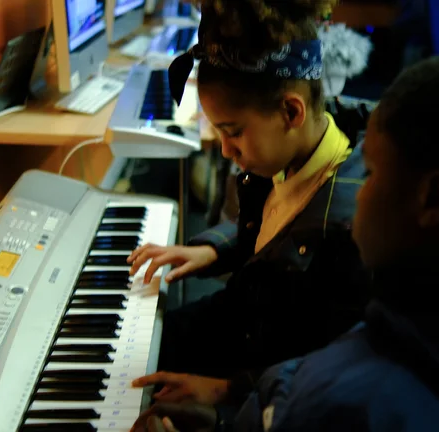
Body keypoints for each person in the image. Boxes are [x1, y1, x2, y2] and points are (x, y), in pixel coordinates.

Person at [132, 48, 439, 432]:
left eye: (370, 175)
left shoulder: (355, 402)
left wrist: (225, 413)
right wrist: (230, 406)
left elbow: (321, 396)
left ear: (432, 199)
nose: (355, 192)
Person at [126, 0, 371, 405]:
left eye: (233, 132)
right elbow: (272, 223)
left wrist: (228, 391)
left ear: (290, 111)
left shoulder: (349, 235)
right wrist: (210, 249)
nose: (224, 150)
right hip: (244, 316)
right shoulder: (298, 150)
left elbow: (331, 366)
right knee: (133, 345)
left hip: (269, 379)